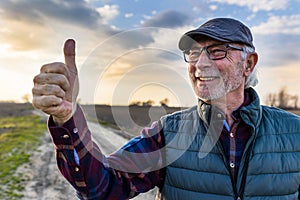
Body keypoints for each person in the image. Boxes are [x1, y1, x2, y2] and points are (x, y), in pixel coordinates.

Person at [32, 18, 300, 200]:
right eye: (194, 54)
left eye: (217, 51)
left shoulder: (294, 132)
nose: (200, 64)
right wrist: (67, 117)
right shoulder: (169, 133)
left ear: (249, 64)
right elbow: (101, 187)